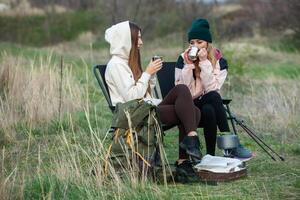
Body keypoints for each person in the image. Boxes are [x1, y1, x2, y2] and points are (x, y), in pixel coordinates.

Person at [104, 21, 202, 170]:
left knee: (183, 93)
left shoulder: (127, 62)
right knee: (192, 111)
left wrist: (151, 76)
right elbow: (132, 97)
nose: (141, 43)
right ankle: (187, 153)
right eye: (138, 38)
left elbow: (145, 93)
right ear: (126, 40)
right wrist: (147, 73)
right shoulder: (116, 64)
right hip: (133, 114)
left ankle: (186, 154)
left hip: (144, 108)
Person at [175, 18, 251, 158]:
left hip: (208, 102)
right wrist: (189, 65)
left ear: (208, 43)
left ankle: (210, 156)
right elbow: (182, 90)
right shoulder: (183, 59)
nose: (195, 46)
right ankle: (231, 143)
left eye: (199, 42)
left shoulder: (220, 62)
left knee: (209, 108)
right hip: (188, 104)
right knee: (215, 98)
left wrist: (204, 62)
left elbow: (212, 88)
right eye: (192, 43)